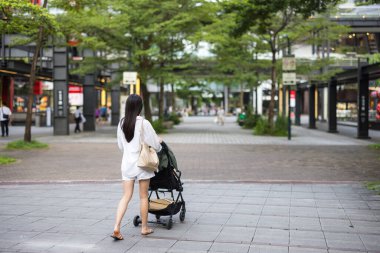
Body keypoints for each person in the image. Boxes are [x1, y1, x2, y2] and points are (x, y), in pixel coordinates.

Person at [112, 94, 162, 240]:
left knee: (126, 196)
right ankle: (144, 227)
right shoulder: (143, 123)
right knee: (143, 196)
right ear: (140, 107)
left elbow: (121, 146)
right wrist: (159, 141)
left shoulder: (121, 123)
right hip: (142, 165)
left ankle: (116, 226)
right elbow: (156, 146)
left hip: (127, 165)